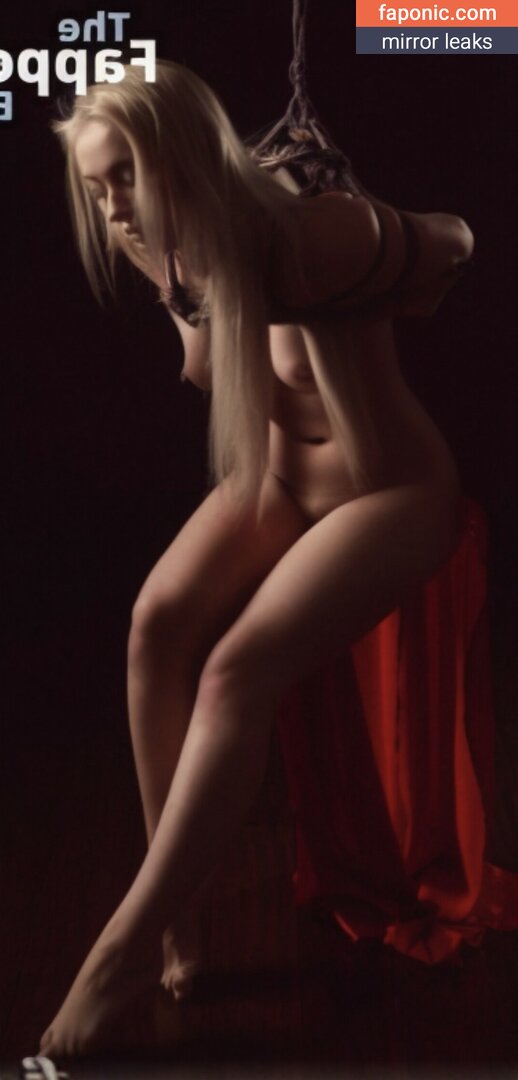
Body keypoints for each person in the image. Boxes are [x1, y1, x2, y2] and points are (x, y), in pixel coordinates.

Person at [41, 59, 473, 1056]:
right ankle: (175, 920)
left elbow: (454, 239)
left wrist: (393, 262)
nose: (113, 208)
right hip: (277, 482)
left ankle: (116, 956)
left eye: (125, 177)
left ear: (183, 157)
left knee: (235, 669)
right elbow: (219, 372)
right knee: (155, 623)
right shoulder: (164, 251)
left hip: (390, 492)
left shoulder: (310, 234)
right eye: (96, 188)